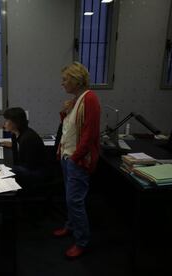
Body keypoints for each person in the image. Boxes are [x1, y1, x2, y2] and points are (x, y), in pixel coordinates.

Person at [53, 62, 100, 258]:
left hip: (76, 159)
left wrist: (75, 157)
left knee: (75, 200)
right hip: (68, 156)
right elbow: (69, 128)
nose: (62, 83)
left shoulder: (90, 99)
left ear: (75, 80)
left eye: (65, 79)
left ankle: (82, 241)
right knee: (70, 198)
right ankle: (71, 226)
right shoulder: (77, 99)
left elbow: (89, 135)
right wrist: (65, 111)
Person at [1, 107, 46, 190]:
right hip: (26, 166)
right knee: (5, 168)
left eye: (7, 121)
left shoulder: (28, 138)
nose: (5, 124)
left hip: (35, 171)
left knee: (4, 171)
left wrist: (9, 167)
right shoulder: (15, 134)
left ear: (16, 123)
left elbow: (30, 165)